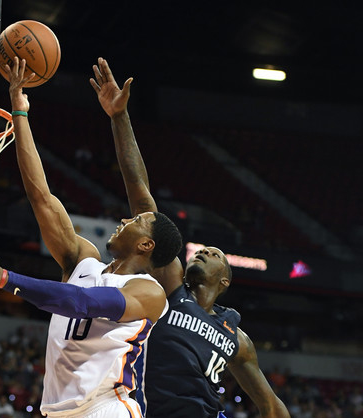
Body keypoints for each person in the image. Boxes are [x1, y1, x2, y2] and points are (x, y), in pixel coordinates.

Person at [0, 56, 182, 418]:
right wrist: (19, 113)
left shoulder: (147, 292)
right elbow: (41, 196)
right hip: (58, 412)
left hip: (109, 409)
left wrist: (6, 279)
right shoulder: (82, 260)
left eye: (136, 220)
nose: (124, 218)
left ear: (146, 245)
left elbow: (82, 303)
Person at [90, 57, 291, 418]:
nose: (207, 252)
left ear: (225, 280)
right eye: (205, 251)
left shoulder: (236, 338)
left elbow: (271, 406)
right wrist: (119, 118)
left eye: (215, 255)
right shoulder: (169, 288)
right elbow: (141, 199)